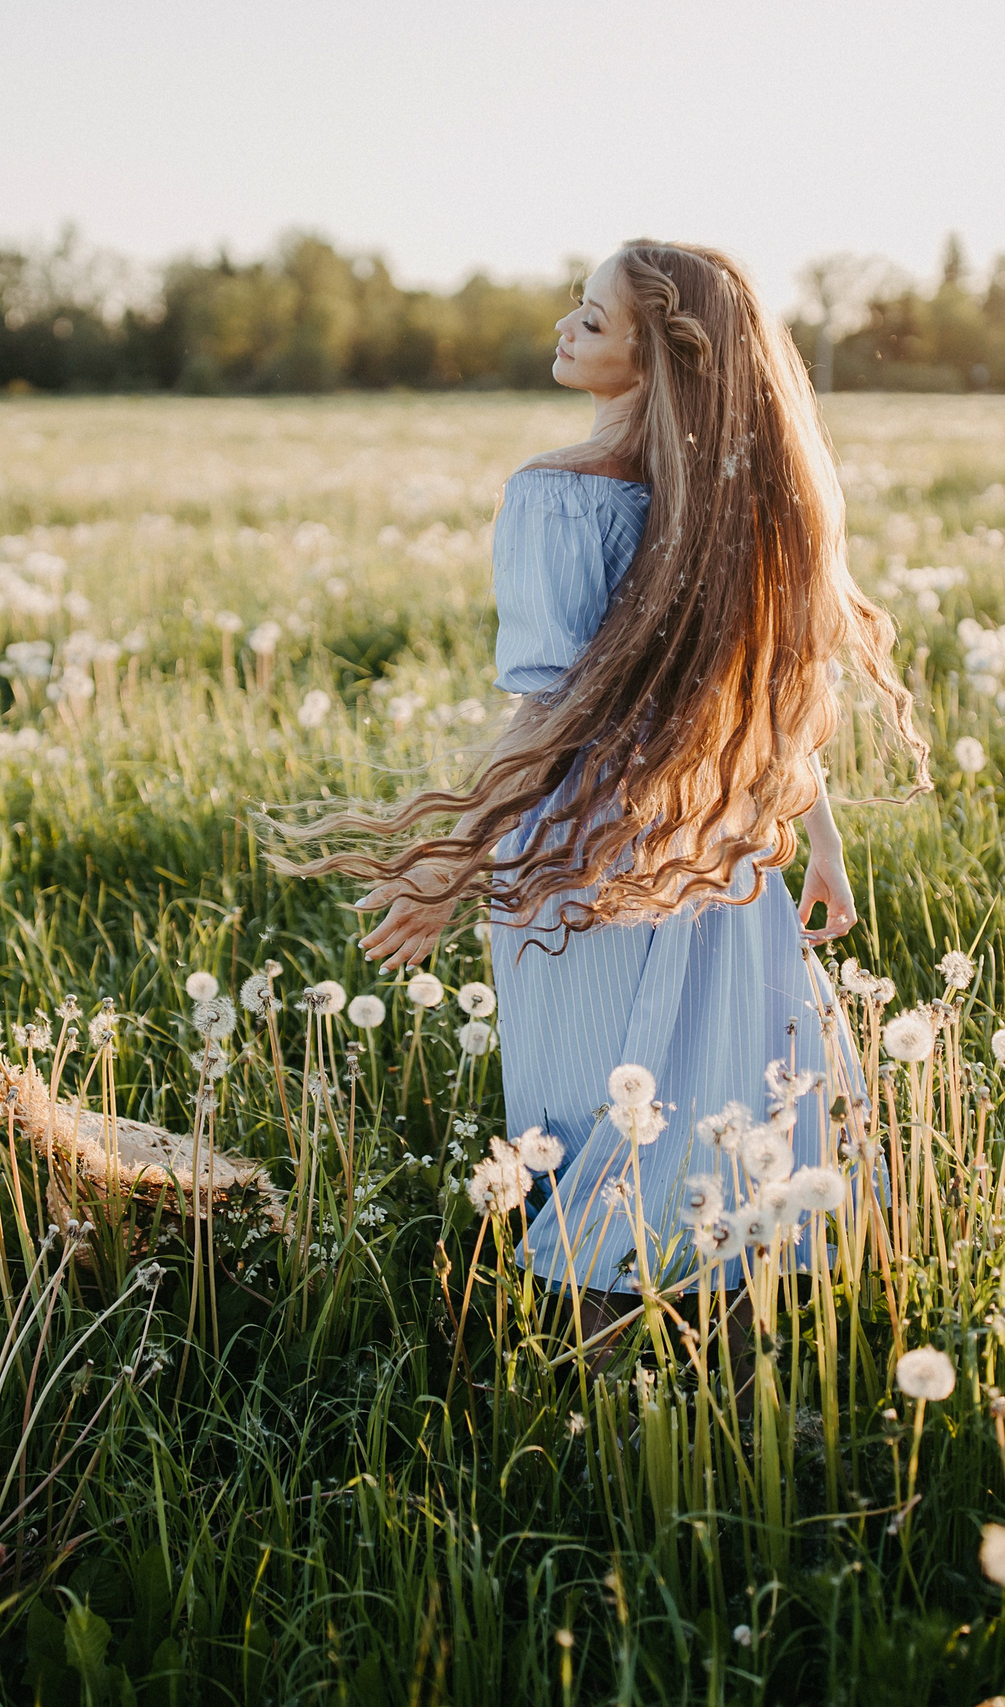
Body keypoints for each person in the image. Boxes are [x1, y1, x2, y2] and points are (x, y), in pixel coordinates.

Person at [277, 240, 929, 1325]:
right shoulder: (736, 500)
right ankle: (739, 1384)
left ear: (660, 355)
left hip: (582, 858)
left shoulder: (558, 494)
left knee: (597, 1128)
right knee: (726, 1117)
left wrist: (453, 859)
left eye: (589, 319)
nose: (563, 331)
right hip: (714, 847)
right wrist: (818, 844)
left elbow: (547, 709)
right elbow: (764, 687)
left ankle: (598, 1413)